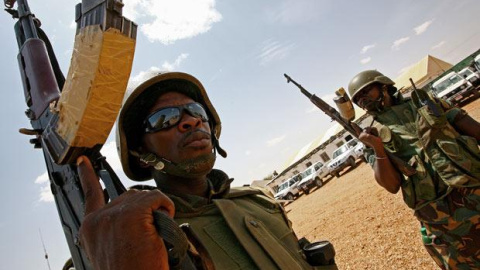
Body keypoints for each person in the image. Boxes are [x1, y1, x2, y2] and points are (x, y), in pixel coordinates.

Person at [76, 71, 337, 270]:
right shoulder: (138, 241)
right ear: (142, 156)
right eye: (164, 119)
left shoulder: (259, 201)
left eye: (195, 111)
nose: (190, 121)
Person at [347, 70, 480, 269]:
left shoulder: (426, 104)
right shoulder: (372, 135)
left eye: (367, 92)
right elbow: (391, 185)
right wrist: (377, 148)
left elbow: (474, 130)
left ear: (384, 86)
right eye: (358, 100)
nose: (364, 101)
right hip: (439, 217)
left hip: (474, 190)